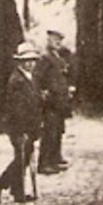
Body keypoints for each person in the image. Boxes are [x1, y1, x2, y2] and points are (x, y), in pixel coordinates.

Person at [0, 42, 42, 204]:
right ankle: (0, 184)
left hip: (30, 125)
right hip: (19, 126)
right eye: (27, 60)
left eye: (33, 60)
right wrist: (22, 130)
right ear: (20, 62)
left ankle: (14, 189)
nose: (30, 64)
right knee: (20, 158)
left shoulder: (30, 78)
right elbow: (17, 109)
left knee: (23, 158)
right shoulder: (17, 80)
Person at [34, 30, 73, 175]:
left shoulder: (58, 57)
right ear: (48, 40)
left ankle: (55, 158)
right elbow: (37, 77)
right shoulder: (45, 58)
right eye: (55, 40)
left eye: (59, 40)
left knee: (58, 130)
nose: (58, 43)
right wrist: (42, 92)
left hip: (60, 100)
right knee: (49, 131)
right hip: (51, 101)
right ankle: (44, 163)